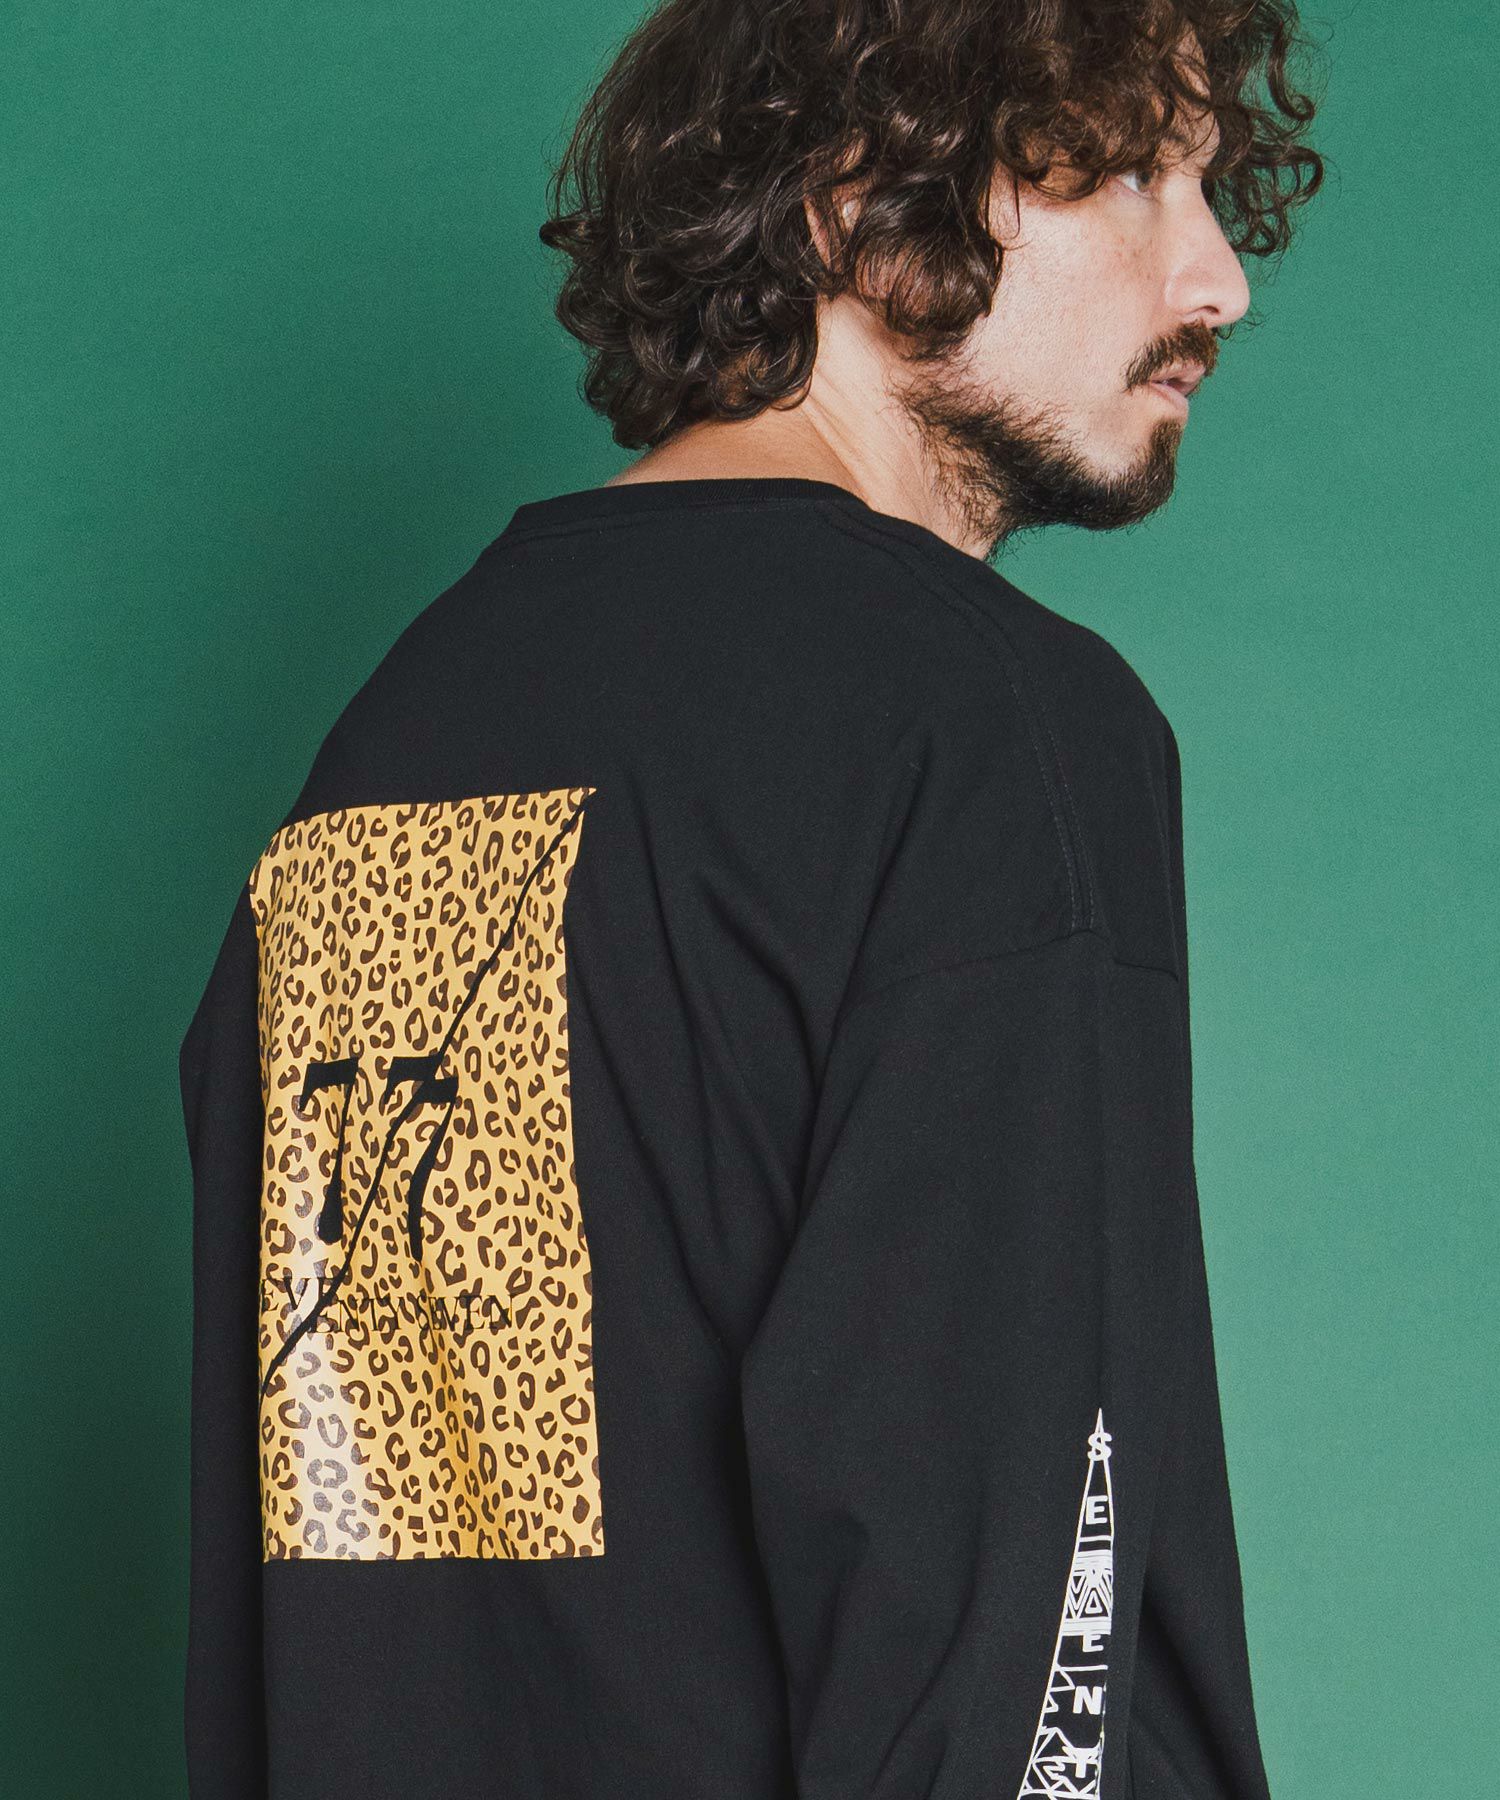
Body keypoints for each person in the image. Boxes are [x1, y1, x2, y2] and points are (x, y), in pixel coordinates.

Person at [177, 2, 1323, 1796]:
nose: (1217, 280)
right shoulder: (989, 725)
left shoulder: (396, 739)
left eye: (1207, 184)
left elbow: (373, 1573)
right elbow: (1019, 1626)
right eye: (1119, 177)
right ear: (856, 200)